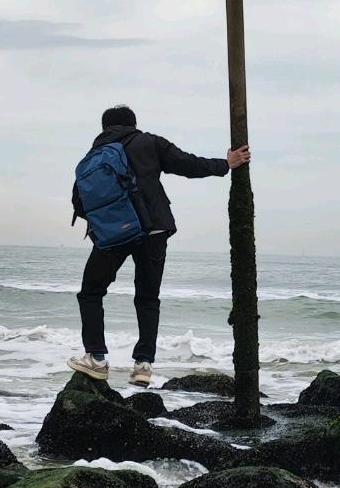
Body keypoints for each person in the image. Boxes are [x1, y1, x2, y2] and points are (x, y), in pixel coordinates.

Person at [67, 104, 251, 387]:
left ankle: (97, 358)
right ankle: (143, 365)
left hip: (113, 234)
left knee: (91, 292)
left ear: (104, 128)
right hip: (154, 229)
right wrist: (225, 163)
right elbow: (187, 164)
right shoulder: (148, 142)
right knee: (147, 297)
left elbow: (80, 202)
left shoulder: (93, 157)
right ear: (133, 123)